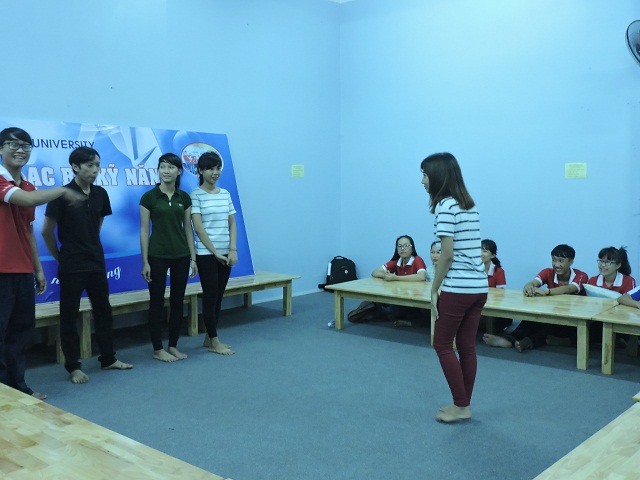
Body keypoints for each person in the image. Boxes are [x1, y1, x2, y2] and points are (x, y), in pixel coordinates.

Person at [0, 127, 84, 399]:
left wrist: (37, 269)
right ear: (1, 149)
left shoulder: (29, 185)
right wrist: (63, 191)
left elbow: (28, 232)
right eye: (13, 145)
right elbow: (25, 199)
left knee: (20, 332)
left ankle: (18, 389)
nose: (20, 150)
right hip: (1, 271)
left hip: (22, 270)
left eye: (26, 146)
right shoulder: (5, 182)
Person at [42, 147, 133, 384]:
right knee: (69, 315)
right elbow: (46, 231)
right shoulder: (61, 194)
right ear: (75, 167)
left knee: (103, 311)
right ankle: (73, 367)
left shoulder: (101, 193)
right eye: (90, 165)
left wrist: (89, 245)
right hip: (71, 263)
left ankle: (108, 358)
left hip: (96, 261)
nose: (95, 170)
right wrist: (61, 257)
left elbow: (97, 225)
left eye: (97, 166)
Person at [421, 152, 487, 423]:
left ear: (437, 177)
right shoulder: (469, 205)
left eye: (425, 175)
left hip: (458, 288)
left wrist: (434, 289)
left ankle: (461, 405)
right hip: (478, 287)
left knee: (442, 344)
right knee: (467, 346)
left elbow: (446, 255)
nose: (422, 181)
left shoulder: (445, 207)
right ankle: (463, 404)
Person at [140, 153, 197, 362]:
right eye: (162, 166)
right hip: (157, 256)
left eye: (171, 167)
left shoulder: (184, 198)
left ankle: (173, 345)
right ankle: (158, 349)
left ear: (179, 171)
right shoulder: (149, 197)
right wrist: (145, 261)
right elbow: (144, 231)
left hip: (181, 255)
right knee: (156, 302)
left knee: (177, 301)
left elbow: (188, 229)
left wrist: (193, 258)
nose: (166, 171)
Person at [484, 244, 588, 352]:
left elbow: (569, 289)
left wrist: (546, 292)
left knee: (547, 329)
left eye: (561, 261)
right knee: (531, 320)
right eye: (554, 260)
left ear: (571, 262)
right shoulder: (548, 272)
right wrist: (528, 287)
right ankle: (510, 340)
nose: (556, 264)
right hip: (554, 315)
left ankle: (524, 342)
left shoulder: (581, 275)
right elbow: (533, 282)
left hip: (574, 321)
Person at [190, 152, 237, 355]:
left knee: (218, 297)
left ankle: (209, 338)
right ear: (200, 171)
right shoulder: (195, 195)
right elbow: (198, 228)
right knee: (210, 297)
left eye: (218, 168)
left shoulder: (225, 194)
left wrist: (232, 249)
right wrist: (215, 252)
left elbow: (232, 223)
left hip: (225, 253)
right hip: (206, 254)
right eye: (210, 168)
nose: (215, 172)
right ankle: (215, 342)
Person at [371, 234, 428, 327]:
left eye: (406, 245)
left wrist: (396, 278)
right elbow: (375, 272)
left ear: (412, 248)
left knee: (394, 311)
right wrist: (386, 275)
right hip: (401, 297)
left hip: (416, 299)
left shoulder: (417, 259)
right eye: (400, 246)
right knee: (378, 301)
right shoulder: (396, 261)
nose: (402, 248)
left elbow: (422, 276)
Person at [478, 239, 511, 335]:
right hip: (477, 305)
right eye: (479, 250)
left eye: (485, 251)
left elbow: (500, 295)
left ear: (493, 255)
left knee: (507, 320)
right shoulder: (474, 270)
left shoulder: (499, 271)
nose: (481, 253)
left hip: (491, 306)